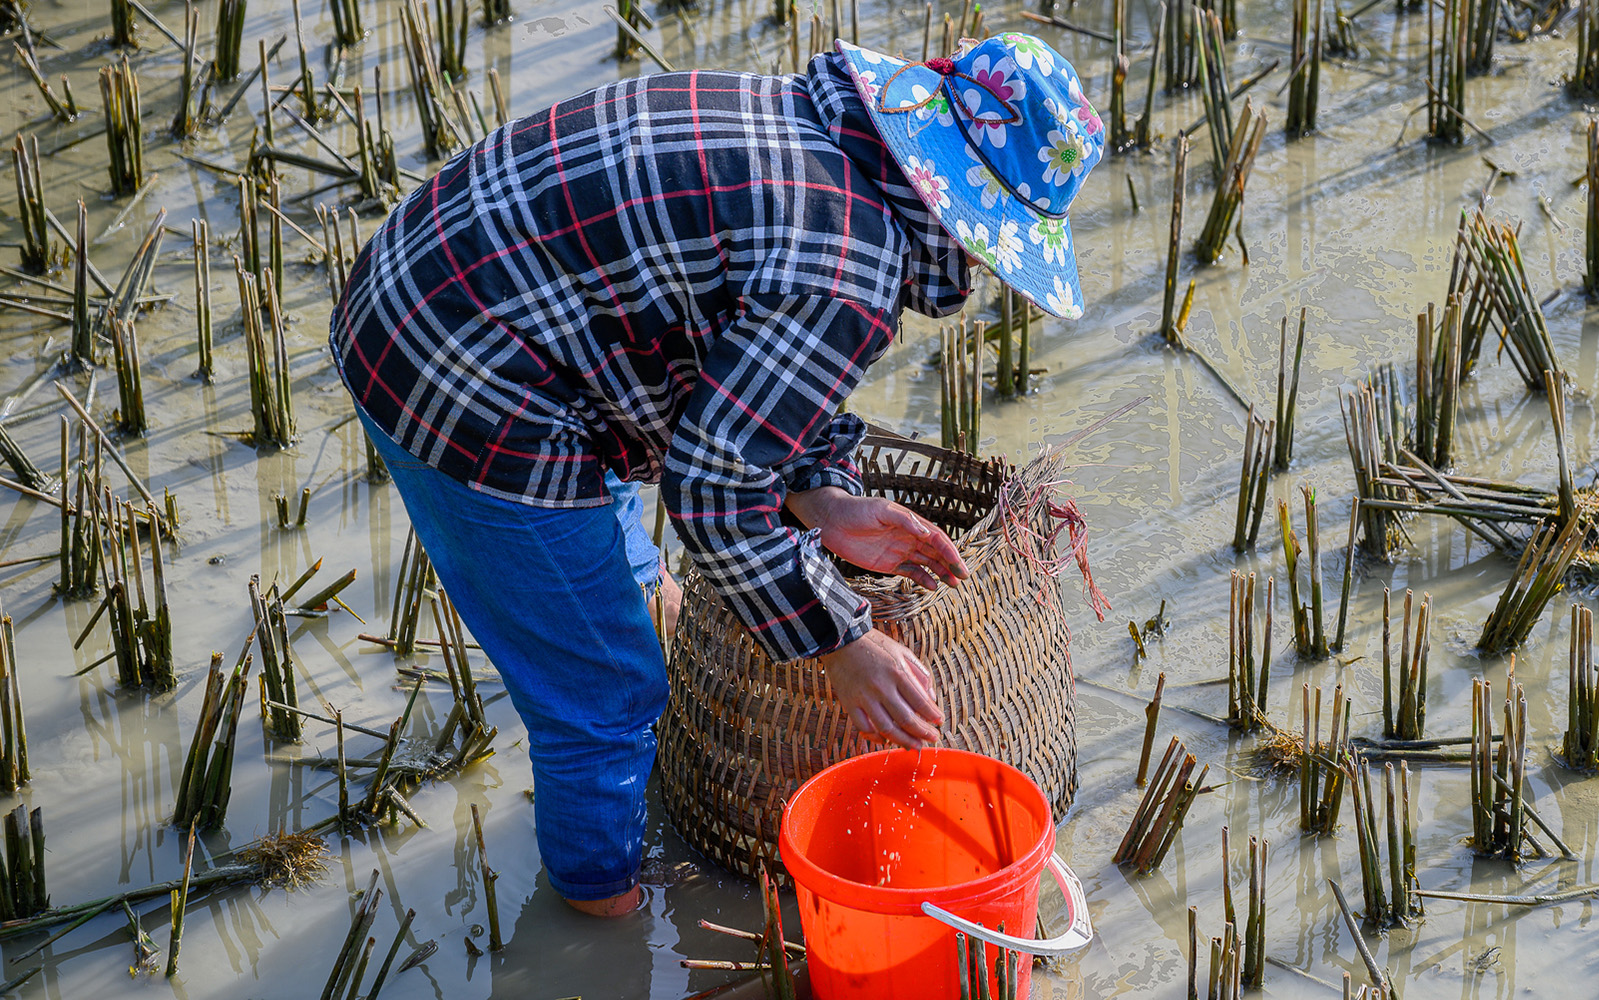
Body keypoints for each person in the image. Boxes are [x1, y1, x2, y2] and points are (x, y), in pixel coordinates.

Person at [329, 32, 1103, 917]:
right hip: (461, 363)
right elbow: (710, 490)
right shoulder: (850, 265)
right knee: (609, 692)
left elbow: (723, 349)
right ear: (967, 213)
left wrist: (823, 496)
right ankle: (598, 915)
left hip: (452, 280)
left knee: (633, 589)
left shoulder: (827, 134)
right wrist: (841, 641)